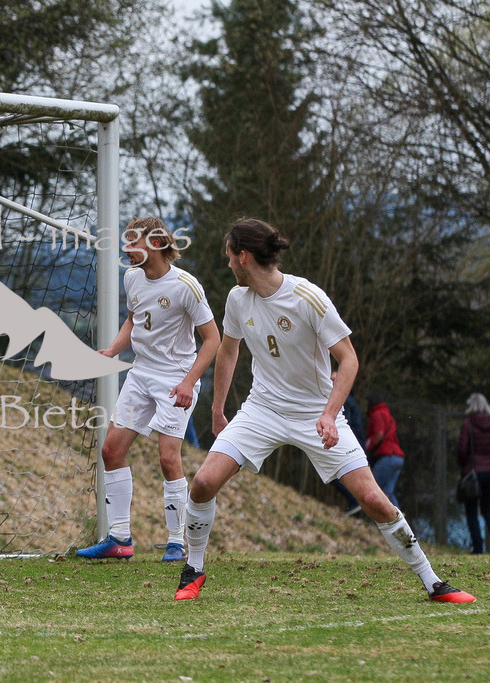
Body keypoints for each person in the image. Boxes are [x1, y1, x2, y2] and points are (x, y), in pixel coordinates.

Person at [175, 218, 474, 604]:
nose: (228, 263)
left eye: (230, 256)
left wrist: (330, 414)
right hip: (261, 410)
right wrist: (218, 410)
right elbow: (228, 351)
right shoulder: (237, 299)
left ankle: (433, 582)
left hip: (315, 415)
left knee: (373, 499)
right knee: (202, 483)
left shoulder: (307, 297)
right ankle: (193, 570)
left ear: (244, 256)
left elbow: (349, 360)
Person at [76, 217, 220, 562]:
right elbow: (134, 318)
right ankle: (119, 538)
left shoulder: (186, 286)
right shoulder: (132, 277)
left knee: (168, 458)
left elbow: (213, 339)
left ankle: (176, 542)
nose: (126, 248)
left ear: (155, 244)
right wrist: (113, 350)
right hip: (140, 374)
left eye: (132, 241)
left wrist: (188, 382)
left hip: (175, 379)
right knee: (111, 450)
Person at [457, 393, 490, 554]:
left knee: (471, 512)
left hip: (473, 473)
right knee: (488, 510)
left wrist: (464, 465)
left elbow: (462, 450)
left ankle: (477, 548)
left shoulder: (468, 424)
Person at [364, 392, 405, 508]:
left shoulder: (377, 414)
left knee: (373, 488)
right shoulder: (388, 415)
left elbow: (379, 434)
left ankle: (371, 516)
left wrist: (367, 446)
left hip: (388, 456)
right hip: (398, 457)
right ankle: (398, 516)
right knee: (388, 491)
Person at [331, 370, 364, 515]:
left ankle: (355, 502)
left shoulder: (345, 401)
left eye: (334, 381)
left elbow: (345, 424)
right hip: (349, 442)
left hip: (349, 444)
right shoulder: (345, 400)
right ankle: (356, 504)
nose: (331, 384)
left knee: (337, 475)